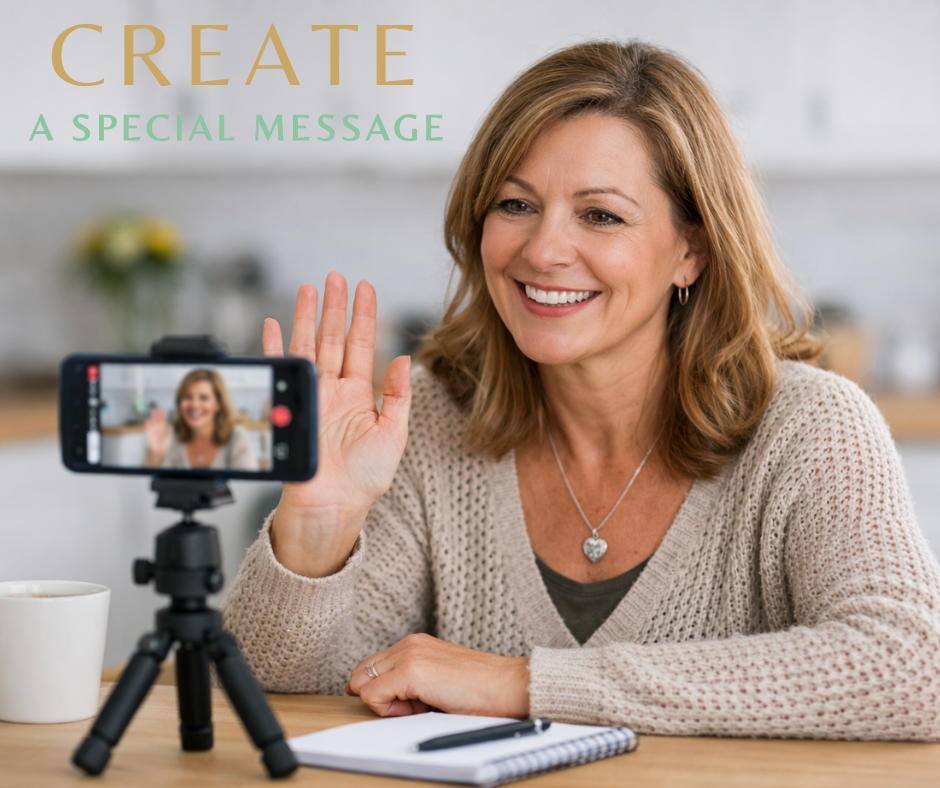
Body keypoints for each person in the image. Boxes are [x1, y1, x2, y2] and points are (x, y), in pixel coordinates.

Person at [222, 41, 940, 739]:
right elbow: (277, 687)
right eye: (514, 204)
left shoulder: (811, 427)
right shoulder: (436, 420)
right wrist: (318, 527)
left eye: (600, 215)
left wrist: (522, 684)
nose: (542, 250)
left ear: (691, 248)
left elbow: (913, 668)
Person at [144, 368, 258, 471]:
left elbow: (247, 486)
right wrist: (155, 454)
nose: (194, 405)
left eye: (204, 398)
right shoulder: (171, 436)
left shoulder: (237, 436)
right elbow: (149, 484)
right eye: (187, 397)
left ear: (218, 403)